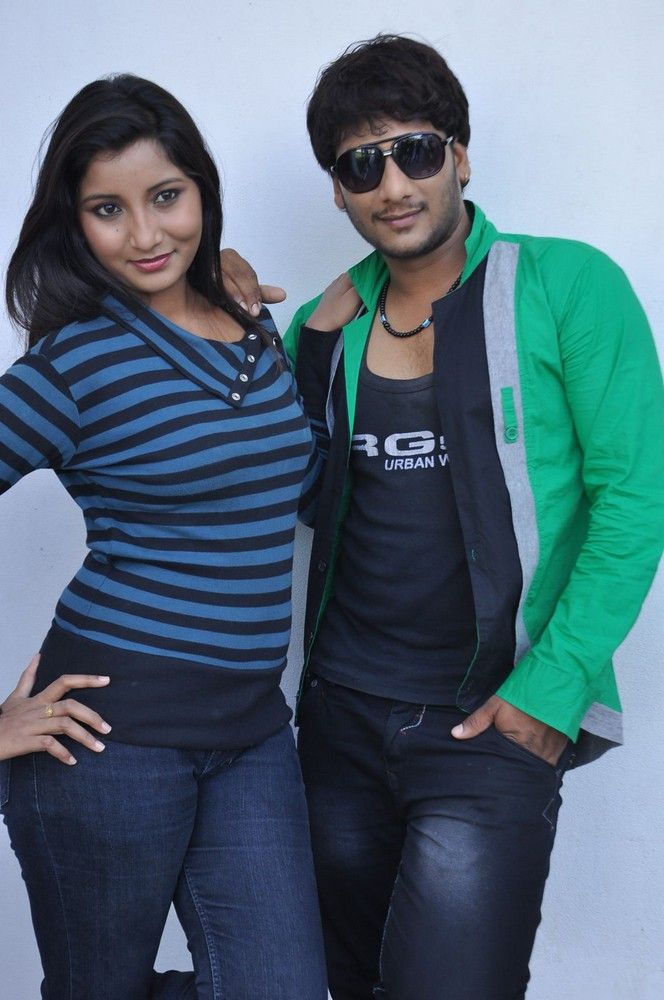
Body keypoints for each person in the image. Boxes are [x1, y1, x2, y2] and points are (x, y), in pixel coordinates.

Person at [222, 33, 664, 1000]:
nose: (393, 185)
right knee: (339, 980)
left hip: (492, 717)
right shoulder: (326, 323)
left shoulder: (566, 285)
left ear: (460, 156)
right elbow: (296, 498)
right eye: (361, 164)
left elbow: (636, 500)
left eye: (416, 151)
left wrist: (549, 693)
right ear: (337, 190)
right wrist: (243, 328)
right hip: (339, 719)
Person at [0, 74, 327, 1000]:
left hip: (253, 733)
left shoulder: (251, 324)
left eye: (167, 197)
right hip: (110, 744)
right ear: (74, 221)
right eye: (108, 209)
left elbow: (300, 488)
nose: (146, 234)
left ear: (202, 193)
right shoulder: (71, 366)